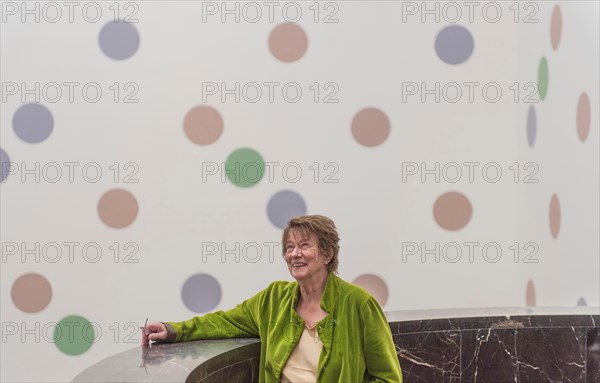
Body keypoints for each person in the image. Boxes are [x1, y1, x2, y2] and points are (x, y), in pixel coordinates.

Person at [142, 215, 402, 383]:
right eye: (289, 247)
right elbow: (222, 322)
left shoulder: (359, 304)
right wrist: (173, 329)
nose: (294, 254)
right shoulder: (273, 298)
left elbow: (389, 378)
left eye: (304, 245)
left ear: (327, 254)